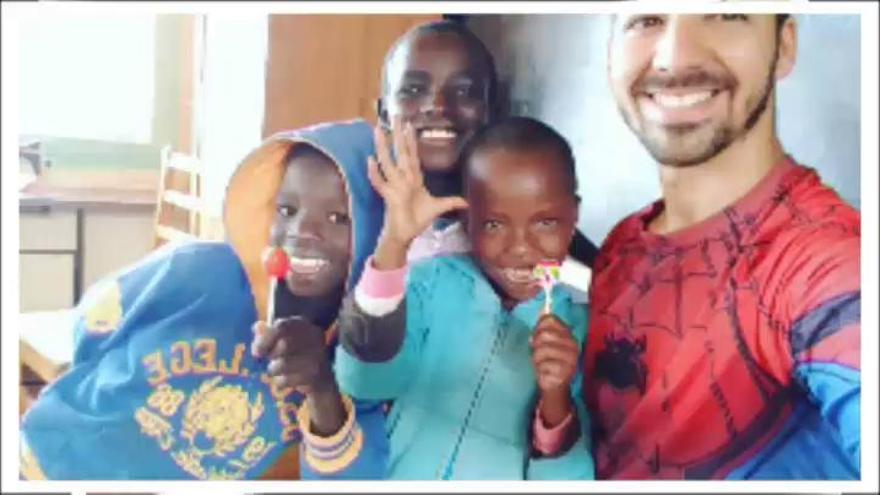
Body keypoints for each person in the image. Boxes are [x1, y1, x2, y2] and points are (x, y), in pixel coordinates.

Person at [19, 120, 384, 480]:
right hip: (54, 457)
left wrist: (322, 388)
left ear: (379, 234)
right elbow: (96, 322)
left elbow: (349, 476)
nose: (302, 230)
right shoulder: (195, 269)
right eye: (287, 210)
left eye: (339, 218)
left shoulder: (359, 359)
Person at [577, 14, 860, 479]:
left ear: (784, 45)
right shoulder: (622, 243)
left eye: (726, 13)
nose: (673, 57)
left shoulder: (829, 256)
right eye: (646, 19)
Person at [295, 116, 596, 479]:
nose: (520, 249)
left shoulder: (583, 330)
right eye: (494, 224)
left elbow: (567, 479)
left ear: (573, 216)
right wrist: (394, 243)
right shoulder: (429, 285)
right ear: (467, 220)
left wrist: (556, 400)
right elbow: (363, 382)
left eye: (545, 222)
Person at [378, 19, 599, 267]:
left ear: (494, 108)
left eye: (463, 91)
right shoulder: (355, 210)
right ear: (385, 113)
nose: (438, 105)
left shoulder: (529, 209)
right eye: (414, 90)